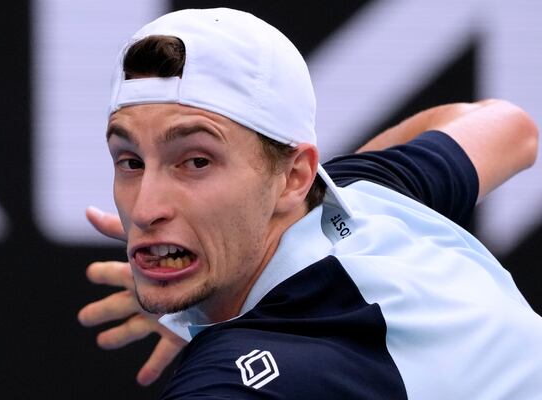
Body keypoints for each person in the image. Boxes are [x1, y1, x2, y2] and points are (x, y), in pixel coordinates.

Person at [77, 7, 542, 399]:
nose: (145, 209)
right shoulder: (376, 196)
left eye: (195, 162)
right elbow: (512, 127)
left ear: (296, 175)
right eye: (131, 162)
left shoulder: (229, 378)